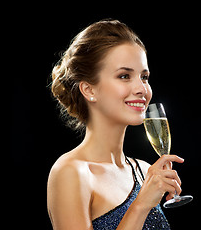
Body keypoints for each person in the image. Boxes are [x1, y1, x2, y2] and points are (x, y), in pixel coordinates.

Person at [47, 19, 184, 230]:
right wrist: (141, 205)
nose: (142, 89)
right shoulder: (70, 173)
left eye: (144, 77)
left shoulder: (144, 172)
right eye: (124, 76)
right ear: (89, 90)